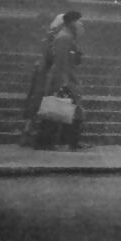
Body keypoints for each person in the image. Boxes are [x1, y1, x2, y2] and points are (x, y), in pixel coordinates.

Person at [34, 11, 90, 151]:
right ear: (71, 22)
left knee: (67, 110)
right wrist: (64, 83)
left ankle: (68, 142)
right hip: (63, 79)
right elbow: (60, 62)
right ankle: (50, 142)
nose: (80, 24)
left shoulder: (69, 37)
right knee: (55, 111)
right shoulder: (64, 38)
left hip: (66, 78)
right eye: (78, 21)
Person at [18, 14, 64, 146]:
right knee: (44, 103)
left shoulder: (50, 36)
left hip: (44, 73)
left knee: (38, 103)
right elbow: (51, 57)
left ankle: (28, 133)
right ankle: (37, 135)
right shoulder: (54, 38)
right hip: (47, 74)